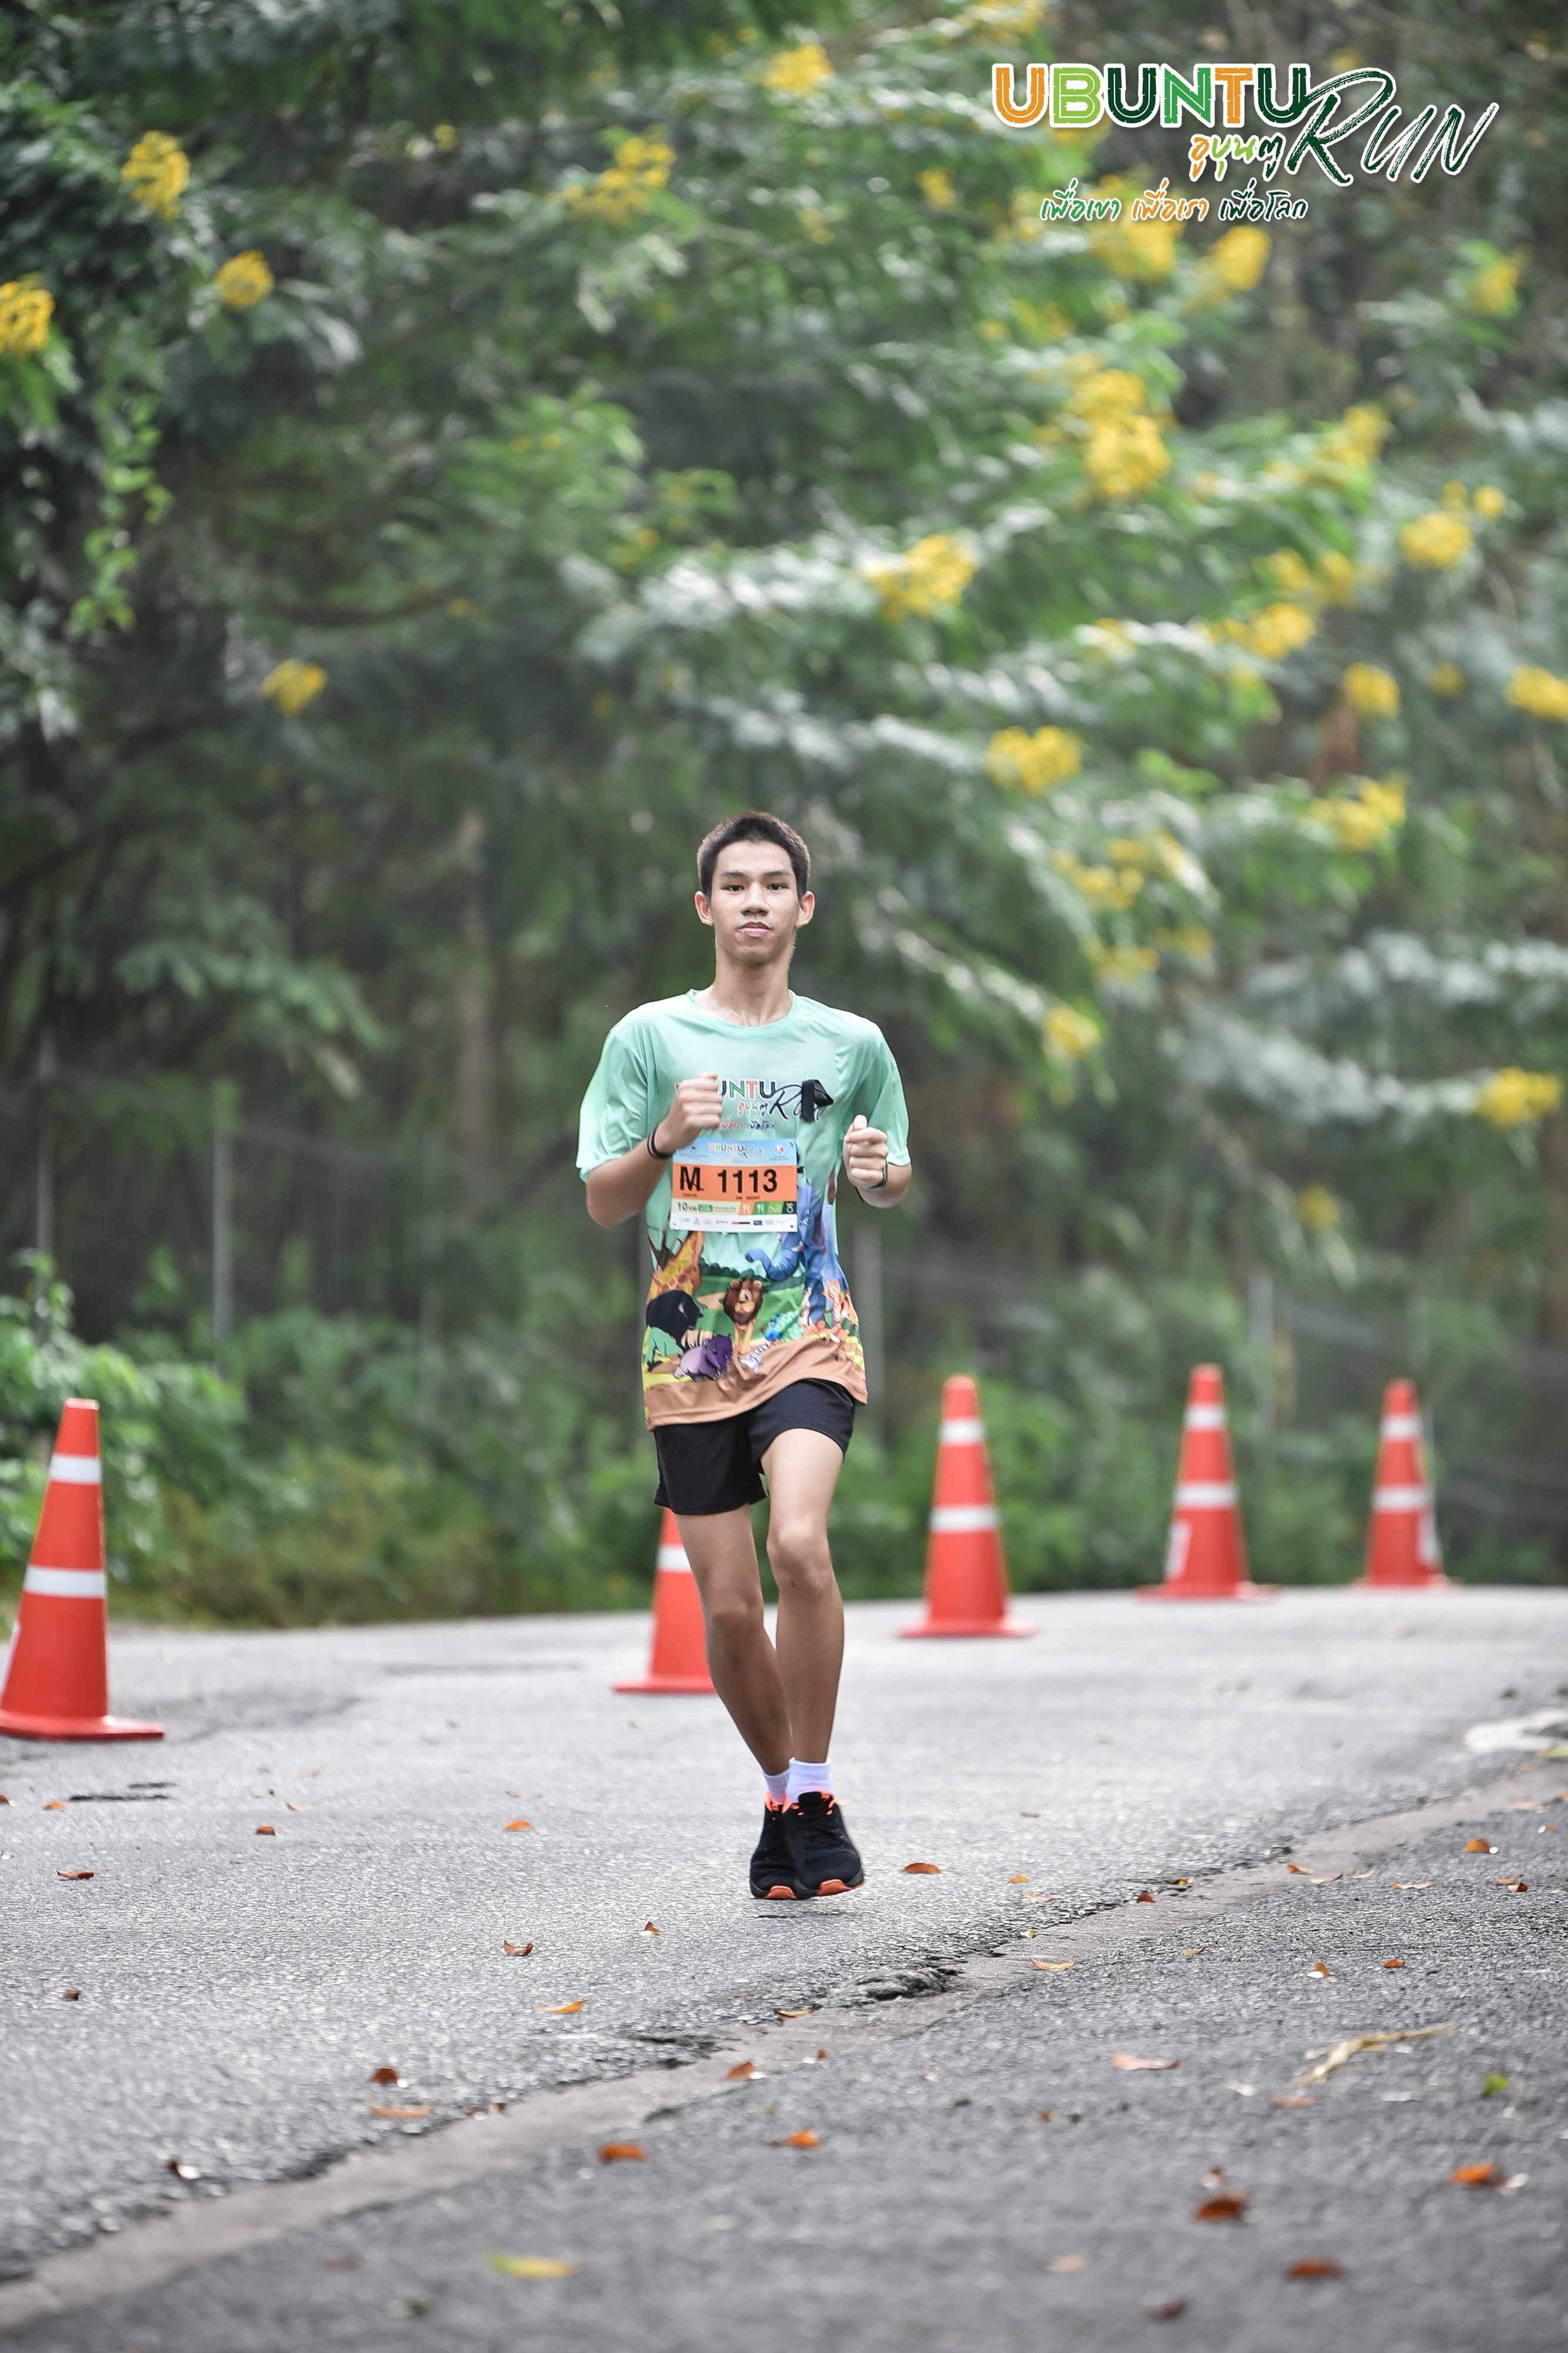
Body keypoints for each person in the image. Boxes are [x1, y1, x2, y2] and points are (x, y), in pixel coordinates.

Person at [578, 811, 911, 1900]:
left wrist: (877, 1171)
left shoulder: (850, 1045)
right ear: (705, 906)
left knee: (800, 1545)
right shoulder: (648, 1040)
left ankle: (813, 1784)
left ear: (803, 908)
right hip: (688, 1347)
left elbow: (888, 1174)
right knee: (727, 1607)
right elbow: (603, 1201)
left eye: (774, 884)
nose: (754, 900)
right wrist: (664, 1140)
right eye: (735, 884)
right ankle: (785, 1802)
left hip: (805, 1325)